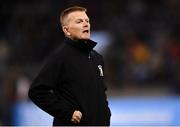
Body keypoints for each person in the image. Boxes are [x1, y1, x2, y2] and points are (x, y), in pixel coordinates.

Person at [28, 6, 111, 126]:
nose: (85, 24)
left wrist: (106, 115)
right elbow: (37, 91)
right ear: (67, 30)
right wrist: (67, 113)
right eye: (79, 21)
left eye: (87, 21)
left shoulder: (97, 58)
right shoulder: (60, 57)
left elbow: (101, 91)